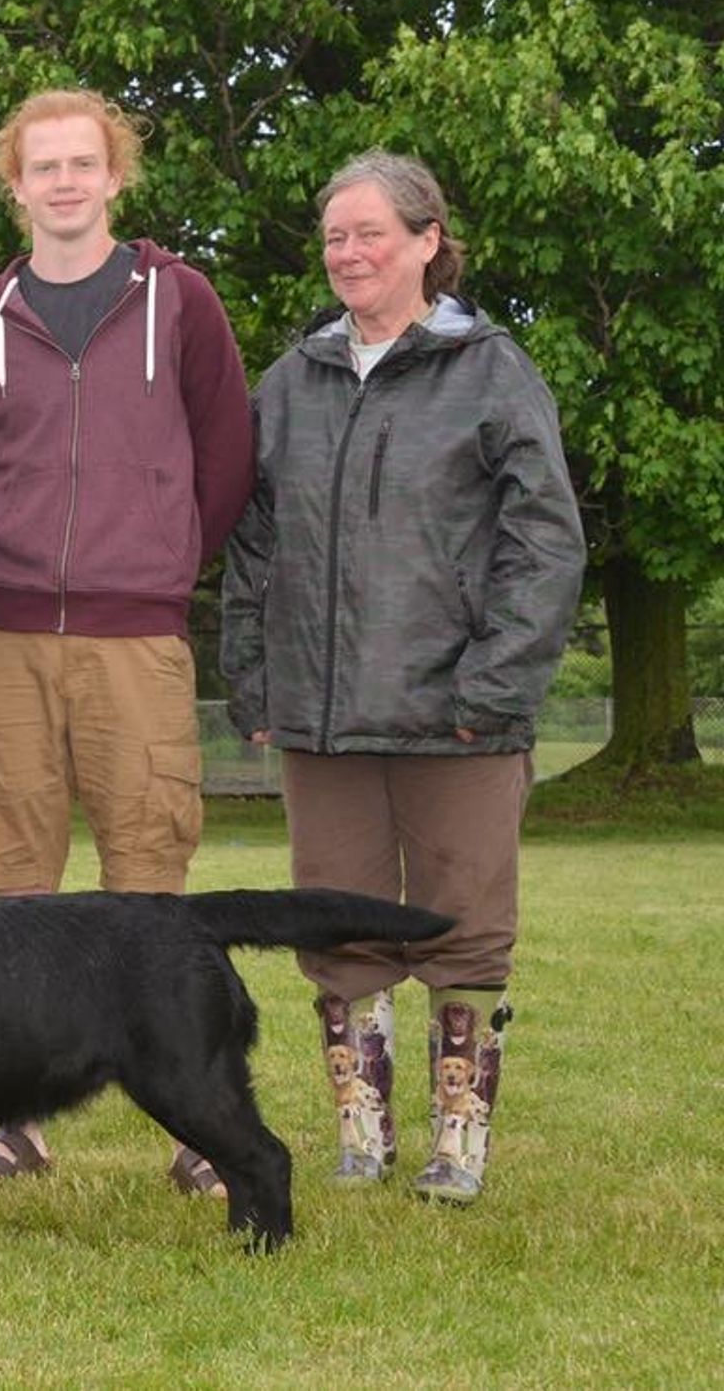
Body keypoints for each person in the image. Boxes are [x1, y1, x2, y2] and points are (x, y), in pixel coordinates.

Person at [220, 150, 585, 1204]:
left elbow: (545, 544)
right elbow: (249, 542)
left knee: (464, 925)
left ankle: (456, 1144)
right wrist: (256, 678)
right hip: (321, 721)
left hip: (455, 715)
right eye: (335, 236)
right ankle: (361, 1133)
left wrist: (495, 688)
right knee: (338, 926)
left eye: (370, 233)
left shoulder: (492, 371)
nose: (349, 253)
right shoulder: (290, 382)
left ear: (428, 241)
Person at [0, 89, 254, 1191]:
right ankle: (16, 1123)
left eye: (84, 162)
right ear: (15, 184)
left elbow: (226, 453)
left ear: (116, 176)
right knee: (11, 893)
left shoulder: (182, 301)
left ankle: (199, 1127)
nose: (65, 182)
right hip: (6, 633)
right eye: (44, 166)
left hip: (137, 634)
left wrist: (164, 559)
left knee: (151, 886)